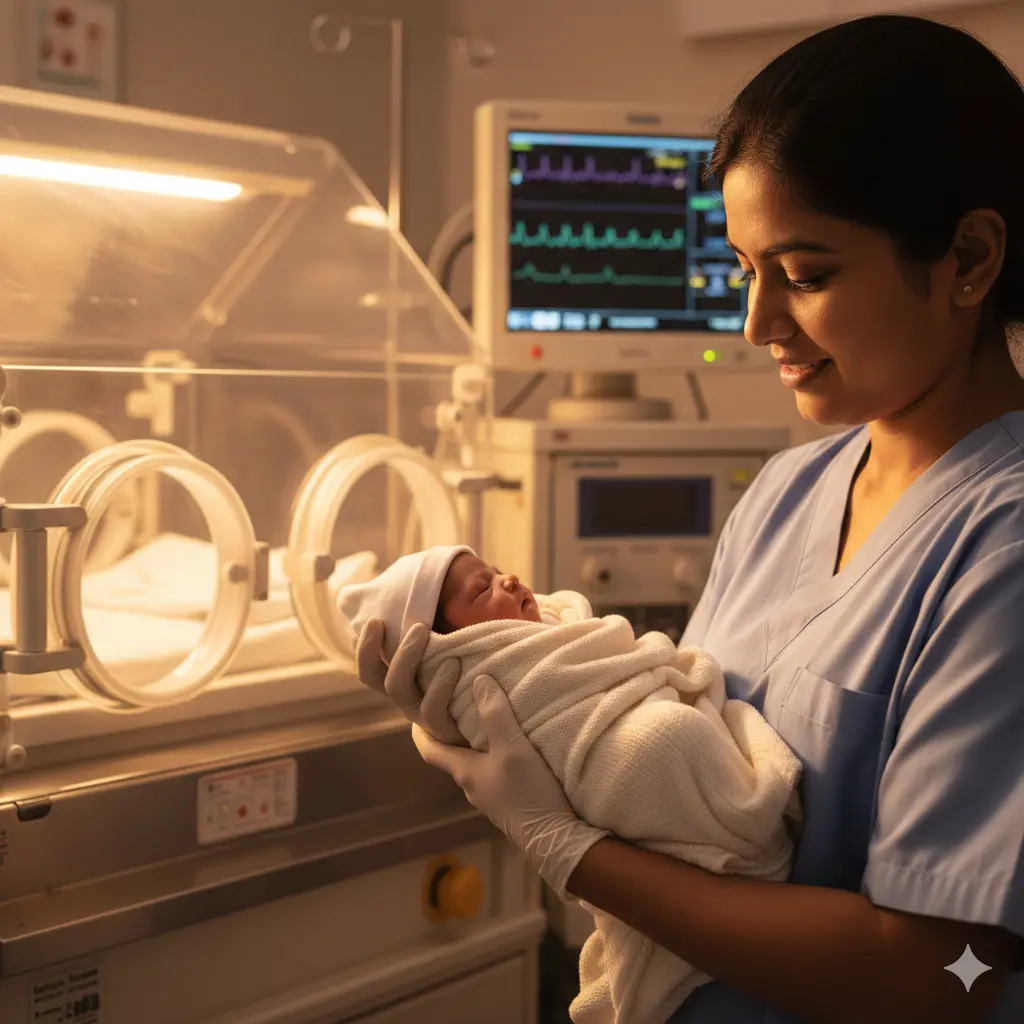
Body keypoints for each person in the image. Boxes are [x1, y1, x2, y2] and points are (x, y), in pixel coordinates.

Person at [356, 14, 1024, 1023]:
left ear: (968, 257)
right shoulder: (787, 492)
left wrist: (569, 849)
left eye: (806, 275)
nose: (757, 325)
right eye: (746, 272)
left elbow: (944, 973)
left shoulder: (1001, 546)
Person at [342, 546, 801, 1023]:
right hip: (629, 774)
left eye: (497, 572)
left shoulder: (560, 622)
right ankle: (743, 836)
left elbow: (613, 655)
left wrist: (561, 842)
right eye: (482, 589)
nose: (509, 579)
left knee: (670, 731)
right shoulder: (487, 674)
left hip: (788, 949)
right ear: (453, 644)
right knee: (663, 739)